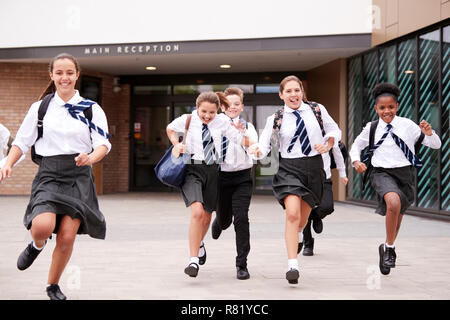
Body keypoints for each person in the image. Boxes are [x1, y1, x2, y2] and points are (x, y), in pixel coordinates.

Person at [0, 53, 111, 300]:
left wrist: (90, 158)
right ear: (51, 75)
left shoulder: (91, 109)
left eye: (69, 72)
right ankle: (37, 244)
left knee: (66, 237)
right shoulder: (40, 108)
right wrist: (8, 163)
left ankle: (52, 285)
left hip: (79, 175)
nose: (64, 77)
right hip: (49, 172)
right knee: (41, 227)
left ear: (77, 75)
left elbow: (103, 144)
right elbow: (22, 141)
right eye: (59, 73)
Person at [249, 75, 341, 284]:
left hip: (314, 167)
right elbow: (264, 147)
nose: (293, 94)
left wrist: (327, 143)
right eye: (288, 91)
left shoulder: (317, 110)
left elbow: (335, 130)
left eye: (296, 90)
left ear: (302, 92)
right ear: (281, 95)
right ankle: (292, 265)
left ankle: (300, 232)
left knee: (302, 218)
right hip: (290, 168)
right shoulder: (276, 119)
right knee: (292, 213)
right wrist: (255, 150)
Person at [349, 82, 441, 275]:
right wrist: (356, 161)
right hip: (380, 172)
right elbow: (356, 146)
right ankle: (390, 249)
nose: (387, 111)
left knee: (398, 215)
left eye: (391, 107)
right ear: (376, 108)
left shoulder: (407, 125)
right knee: (393, 202)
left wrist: (429, 133)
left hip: (404, 174)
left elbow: (436, 145)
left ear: (397, 106)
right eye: (382, 108)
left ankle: (386, 246)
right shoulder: (372, 128)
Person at [166, 91, 254, 278]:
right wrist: (176, 143)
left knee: (206, 217)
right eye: (203, 111)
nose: (207, 116)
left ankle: (199, 243)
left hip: (213, 171)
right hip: (192, 169)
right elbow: (170, 129)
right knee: (197, 212)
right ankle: (193, 261)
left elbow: (238, 138)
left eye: (211, 113)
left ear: (217, 111)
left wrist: (253, 144)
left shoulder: (222, 122)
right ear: (197, 108)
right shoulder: (188, 119)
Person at [211, 88, 258, 280]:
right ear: (222, 107)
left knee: (241, 218)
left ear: (242, 107)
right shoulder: (214, 126)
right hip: (221, 178)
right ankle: (220, 220)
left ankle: (242, 264)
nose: (232, 108)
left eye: (236, 104)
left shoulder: (248, 127)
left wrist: (243, 139)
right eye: (228, 105)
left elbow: (257, 149)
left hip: (242, 179)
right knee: (225, 221)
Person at [298, 144, 348, 256]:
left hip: (325, 177)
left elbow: (337, 153)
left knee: (327, 207)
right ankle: (308, 244)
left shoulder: (327, 132)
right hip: (304, 177)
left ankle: (315, 216)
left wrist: (342, 173)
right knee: (304, 209)